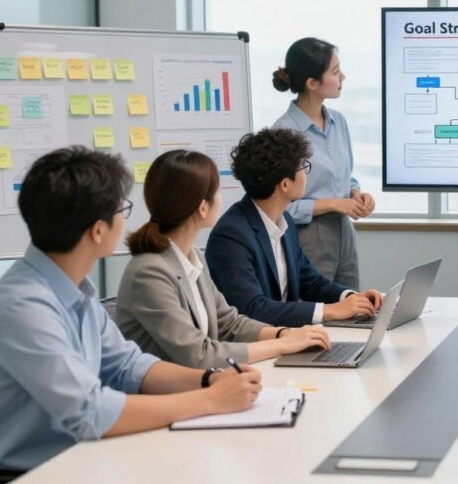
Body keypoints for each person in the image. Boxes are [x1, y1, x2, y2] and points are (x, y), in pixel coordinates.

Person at [0, 147, 261, 475]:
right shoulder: (22, 306)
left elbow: (127, 366)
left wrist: (210, 379)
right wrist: (211, 400)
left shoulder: (73, 289)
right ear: (98, 230)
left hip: (84, 458)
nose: (125, 219)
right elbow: (90, 410)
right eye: (121, 208)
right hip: (36, 473)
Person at [116, 149, 332, 368]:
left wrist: (283, 334)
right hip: (166, 398)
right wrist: (283, 345)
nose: (222, 199)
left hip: (200, 386)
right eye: (218, 191)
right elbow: (199, 354)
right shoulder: (149, 272)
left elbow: (230, 323)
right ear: (202, 208)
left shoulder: (191, 256)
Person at [206, 128, 382, 327]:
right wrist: (330, 311)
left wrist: (351, 297)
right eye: (302, 167)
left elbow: (309, 281)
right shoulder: (231, 236)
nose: (306, 174)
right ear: (285, 184)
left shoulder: (285, 222)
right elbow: (252, 308)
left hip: (286, 337)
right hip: (253, 347)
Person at [271, 37, 373, 289]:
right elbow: (280, 206)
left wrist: (356, 193)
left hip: (344, 230)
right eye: (336, 72)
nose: (343, 77)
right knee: (315, 313)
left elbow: (346, 175)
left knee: (353, 308)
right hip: (309, 234)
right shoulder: (284, 132)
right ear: (312, 83)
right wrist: (333, 204)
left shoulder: (339, 121)